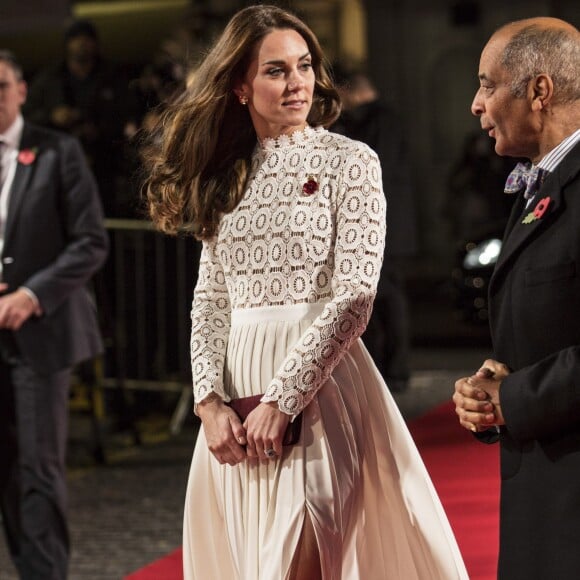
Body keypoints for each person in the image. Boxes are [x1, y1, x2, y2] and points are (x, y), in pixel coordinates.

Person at [145, 5, 468, 579]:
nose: (297, 83)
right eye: (276, 70)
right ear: (240, 87)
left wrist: (284, 398)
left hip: (321, 387)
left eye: (305, 66)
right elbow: (211, 299)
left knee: (302, 556)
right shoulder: (225, 174)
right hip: (236, 396)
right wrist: (208, 402)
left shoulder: (351, 161)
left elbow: (355, 297)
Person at [453, 17, 580, 580]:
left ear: (539, 90)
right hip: (543, 493)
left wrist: (516, 397)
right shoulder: (542, 186)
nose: (476, 105)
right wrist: (488, 394)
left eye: (487, 84)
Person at [0, 50, 108, 579]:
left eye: (0, 86)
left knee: (38, 468)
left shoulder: (56, 152)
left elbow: (90, 242)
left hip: (41, 331)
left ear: (21, 90)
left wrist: (30, 295)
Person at [332, 67, 418, 392]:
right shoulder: (384, 119)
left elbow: (373, 162)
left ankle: (394, 369)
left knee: (389, 300)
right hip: (390, 227)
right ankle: (387, 368)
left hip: (389, 229)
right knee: (382, 300)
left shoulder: (381, 121)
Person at [23, 19, 131, 216]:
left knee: (101, 219)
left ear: (95, 43)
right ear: (67, 44)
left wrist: (98, 129)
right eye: (76, 39)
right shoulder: (49, 79)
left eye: (87, 38)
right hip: (57, 167)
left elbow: (126, 116)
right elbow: (26, 118)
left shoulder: (112, 78)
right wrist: (52, 117)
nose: (82, 43)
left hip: (103, 165)